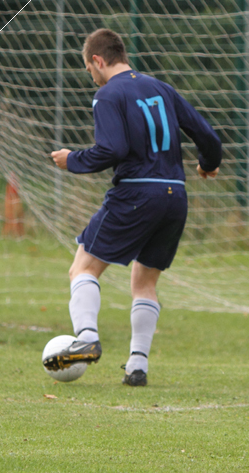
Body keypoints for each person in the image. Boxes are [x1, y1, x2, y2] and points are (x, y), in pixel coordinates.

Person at [46, 28, 221, 386]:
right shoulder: (161, 88)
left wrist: (72, 159)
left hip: (137, 193)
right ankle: (137, 367)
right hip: (175, 195)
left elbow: (112, 149)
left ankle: (88, 339)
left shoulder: (108, 95)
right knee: (144, 280)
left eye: (88, 69)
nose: (91, 78)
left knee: (83, 267)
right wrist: (207, 162)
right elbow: (207, 135)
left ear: (98, 60)